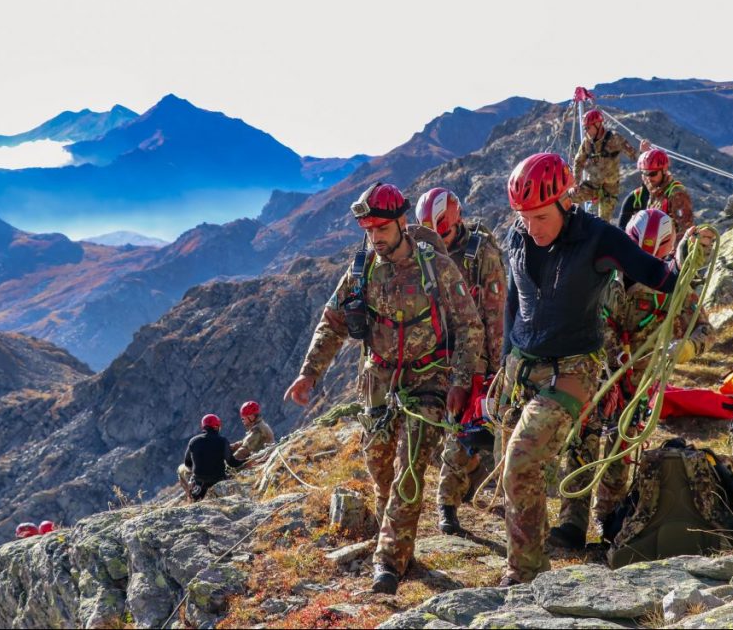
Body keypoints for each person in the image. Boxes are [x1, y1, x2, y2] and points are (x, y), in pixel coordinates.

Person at [498, 152, 714, 586]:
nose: (532, 227)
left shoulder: (599, 238)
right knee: (525, 469)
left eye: (540, 216)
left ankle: (524, 574)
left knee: (519, 463)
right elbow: (513, 300)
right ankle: (540, 548)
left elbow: (661, 277)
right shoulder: (518, 236)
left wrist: (690, 255)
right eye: (524, 217)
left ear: (564, 202)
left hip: (574, 368)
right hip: (522, 368)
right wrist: (505, 360)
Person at [284, 181, 484, 595]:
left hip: (428, 379)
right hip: (378, 382)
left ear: (402, 224)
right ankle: (401, 546)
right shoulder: (361, 271)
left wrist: (461, 381)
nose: (375, 238)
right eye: (369, 230)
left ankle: (387, 563)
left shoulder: (436, 267)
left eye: (383, 230)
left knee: (408, 470)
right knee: (380, 469)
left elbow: (469, 325)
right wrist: (309, 374)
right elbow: (333, 323)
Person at [549, 208, 717, 549]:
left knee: (620, 447)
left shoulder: (674, 285)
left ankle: (610, 518)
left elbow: (705, 330)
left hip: (636, 382)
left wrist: (684, 349)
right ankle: (572, 522)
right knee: (582, 442)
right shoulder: (604, 272)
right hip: (594, 373)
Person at [415, 187, 507, 535]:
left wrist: (494, 368)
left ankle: (447, 505)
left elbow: (494, 314)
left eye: (445, 235)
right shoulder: (423, 251)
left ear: (458, 221)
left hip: (475, 352)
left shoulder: (479, 253)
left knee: (460, 426)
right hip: (435, 354)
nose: (440, 245)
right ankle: (457, 492)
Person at [571, 109, 642, 222]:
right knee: (567, 198)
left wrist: (645, 153)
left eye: (588, 128)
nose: (586, 131)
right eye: (585, 128)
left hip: (609, 189)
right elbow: (578, 162)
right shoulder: (587, 142)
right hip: (592, 185)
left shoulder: (615, 138)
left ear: (598, 125)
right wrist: (576, 183)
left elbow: (634, 154)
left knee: (603, 223)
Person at [618, 148, 695, 240]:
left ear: (664, 171)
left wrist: (673, 253)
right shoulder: (654, 191)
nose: (648, 178)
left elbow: (684, 229)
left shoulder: (677, 193)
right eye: (644, 173)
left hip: (668, 250)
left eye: (652, 173)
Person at [177, 414, 245, 502]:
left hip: (199, 480)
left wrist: (197, 470)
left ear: (203, 427)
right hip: (218, 479)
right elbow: (232, 463)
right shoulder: (223, 441)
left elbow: (187, 462)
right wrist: (246, 461)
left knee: (180, 470)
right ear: (217, 427)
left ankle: (190, 494)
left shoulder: (193, 441)